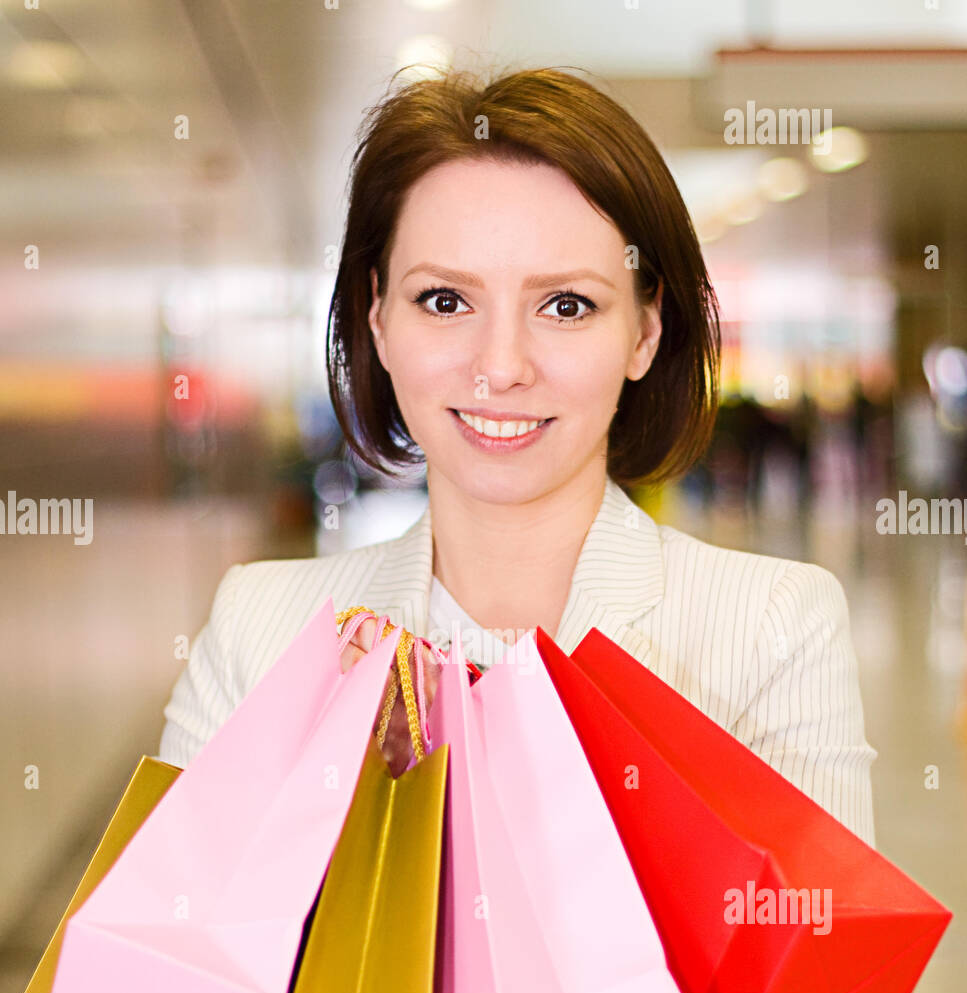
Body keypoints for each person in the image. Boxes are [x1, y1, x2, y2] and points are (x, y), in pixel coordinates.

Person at [159, 65, 876, 849]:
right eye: (444, 300)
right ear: (377, 319)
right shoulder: (262, 629)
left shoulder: (769, 630)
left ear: (644, 333)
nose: (500, 366)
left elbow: (815, 952)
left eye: (565, 305)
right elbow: (168, 951)